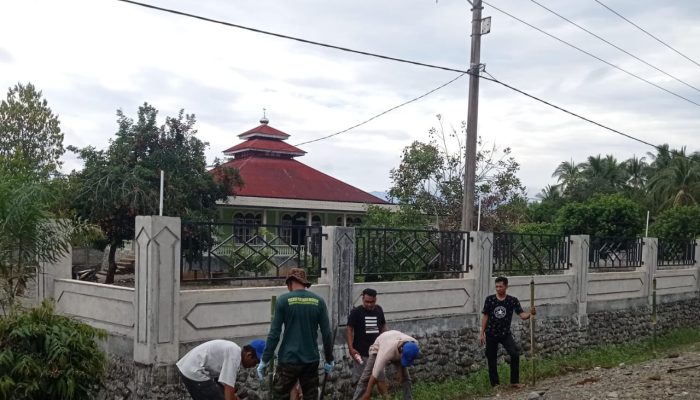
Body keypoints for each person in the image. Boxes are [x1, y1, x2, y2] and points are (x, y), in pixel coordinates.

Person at [257, 268, 335, 400]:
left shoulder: (283, 300)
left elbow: (274, 334)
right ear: (304, 283)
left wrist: (265, 359)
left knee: (279, 396)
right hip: (311, 359)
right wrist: (329, 358)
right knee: (311, 396)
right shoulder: (319, 301)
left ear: (290, 282)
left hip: (288, 360)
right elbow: (327, 334)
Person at [479, 276, 536, 388]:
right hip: (491, 333)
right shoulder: (489, 299)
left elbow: (522, 315)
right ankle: (495, 384)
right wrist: (482, 333)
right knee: (492, 359)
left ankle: (514, 382)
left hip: (505, 333)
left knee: (515, 354)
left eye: (500, 286)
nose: (498, 288)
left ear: (506, 286)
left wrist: (530, 313)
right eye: (496, 286)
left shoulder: (512, 300)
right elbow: (485, 316)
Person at [176, 339, 266, 400]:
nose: (254, 366)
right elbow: (228, 394)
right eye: (255, 362)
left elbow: (225, 386)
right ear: (249, 355)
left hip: (192, 368)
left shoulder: (234, 352)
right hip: (194, 371)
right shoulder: (234, 356)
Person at [352, 330, 420, 400]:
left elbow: (406, 356)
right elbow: (375, 374)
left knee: (406, 378)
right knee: (365, 378)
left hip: (395, 338)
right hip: (379, 346)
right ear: (401, 350)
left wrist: (400, 371)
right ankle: (357, 398)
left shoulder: (414, 345)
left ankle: (408, 398)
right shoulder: (386, 352)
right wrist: (367, 393)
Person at [347, 288, 389, 397]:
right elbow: (349, 329)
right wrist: (351, 348)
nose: (370, 304)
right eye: (367, 302)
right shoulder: (356, 312)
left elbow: (383, 326)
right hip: (361, 354)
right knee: (360, 381)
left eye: (372, 302)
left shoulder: (379, 310)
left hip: (377, 353)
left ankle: (386, 397)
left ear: (376, 299)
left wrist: (387, 339)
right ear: (362, 299)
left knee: (381, 379)